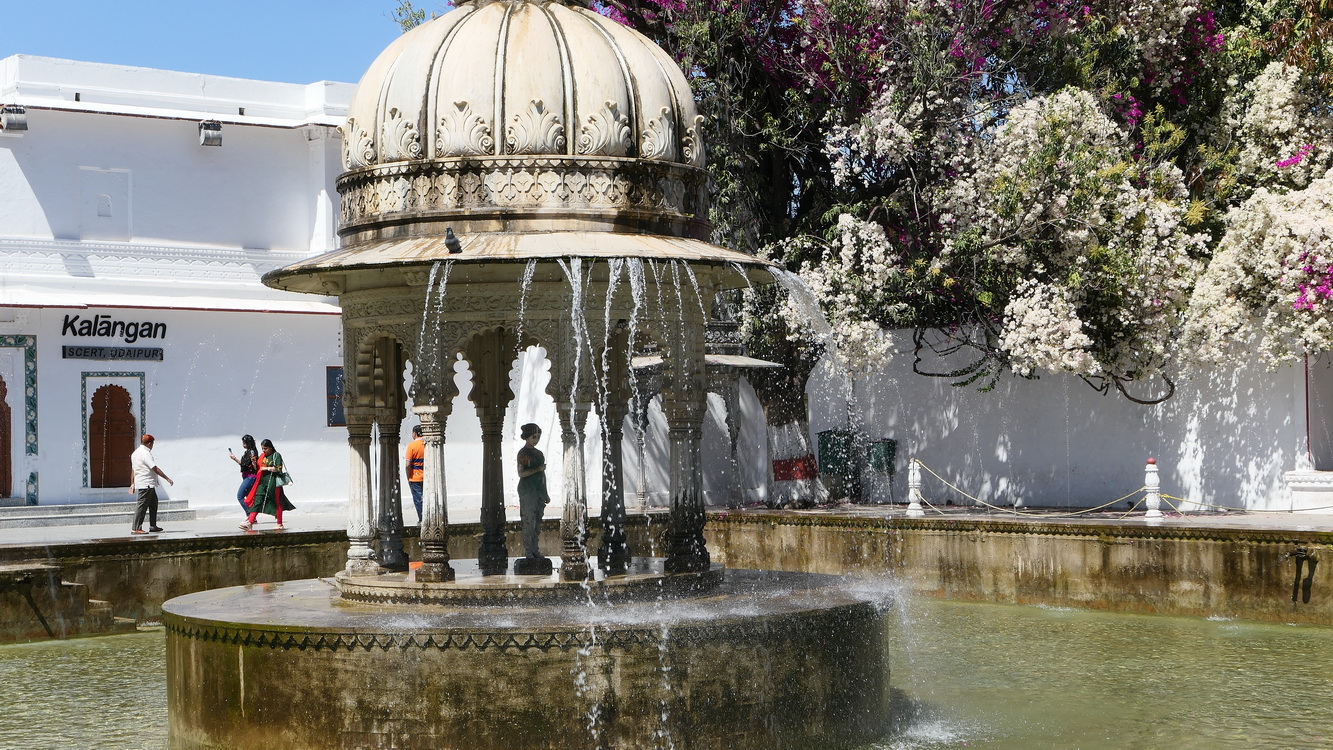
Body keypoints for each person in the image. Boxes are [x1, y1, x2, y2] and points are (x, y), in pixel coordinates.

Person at [514, 423, 551, 573]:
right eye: (534, 437)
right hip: (527, 491)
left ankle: (535, 549)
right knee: (529, 520)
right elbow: (521, 474)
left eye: (538, 437)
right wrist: (537, 469)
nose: (536, 439)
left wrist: (545, 492)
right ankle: (528, 551)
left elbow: (543, 476)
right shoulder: (523, 453)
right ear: (527, 437)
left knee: (537, 522)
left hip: (538, 491)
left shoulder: (539, 454)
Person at [239, 438, 294, 531]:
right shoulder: (262, 456)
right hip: (263, 482)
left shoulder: (276, 455)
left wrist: (266, 468)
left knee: (276, 502)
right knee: (257, 500)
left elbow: (278, 469)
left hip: (273, 482)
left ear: (271, 447)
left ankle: (279, 523)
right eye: (262, 449)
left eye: (265, 448)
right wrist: (254, 462)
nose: (264, 450)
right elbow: (258, 469)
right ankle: (250, 522)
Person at [129, 434, 173, 534]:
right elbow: (154, 468)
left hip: (148, 485)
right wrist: (167, 478)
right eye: (152, 444)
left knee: (153, 504)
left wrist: (132, 483)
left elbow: (133, 470)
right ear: (149, 443)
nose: (152, 446)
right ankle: (136, 528)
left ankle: (153, 526)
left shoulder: (135, 453)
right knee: (142, 506)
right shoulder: (145, 453)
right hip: (146, 484)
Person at [229, 434, 259, 513]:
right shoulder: (248, 452)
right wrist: (234, 458)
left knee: (240, 496)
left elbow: (252, 465)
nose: (243, 445)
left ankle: (249, 515)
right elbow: (243, 464)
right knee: (249, 498)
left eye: (244, 443)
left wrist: (253, 462)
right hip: (247, 477)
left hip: (250, 477)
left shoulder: (252, 452)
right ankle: (252, 516)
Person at [404, 425, 424, 523]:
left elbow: (408, 465)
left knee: (418, 500)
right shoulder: (426, 444)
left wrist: (408, 476)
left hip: (415, 478)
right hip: (426, 477)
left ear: (415, 433)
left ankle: (422, 519)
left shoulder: (412, 446)